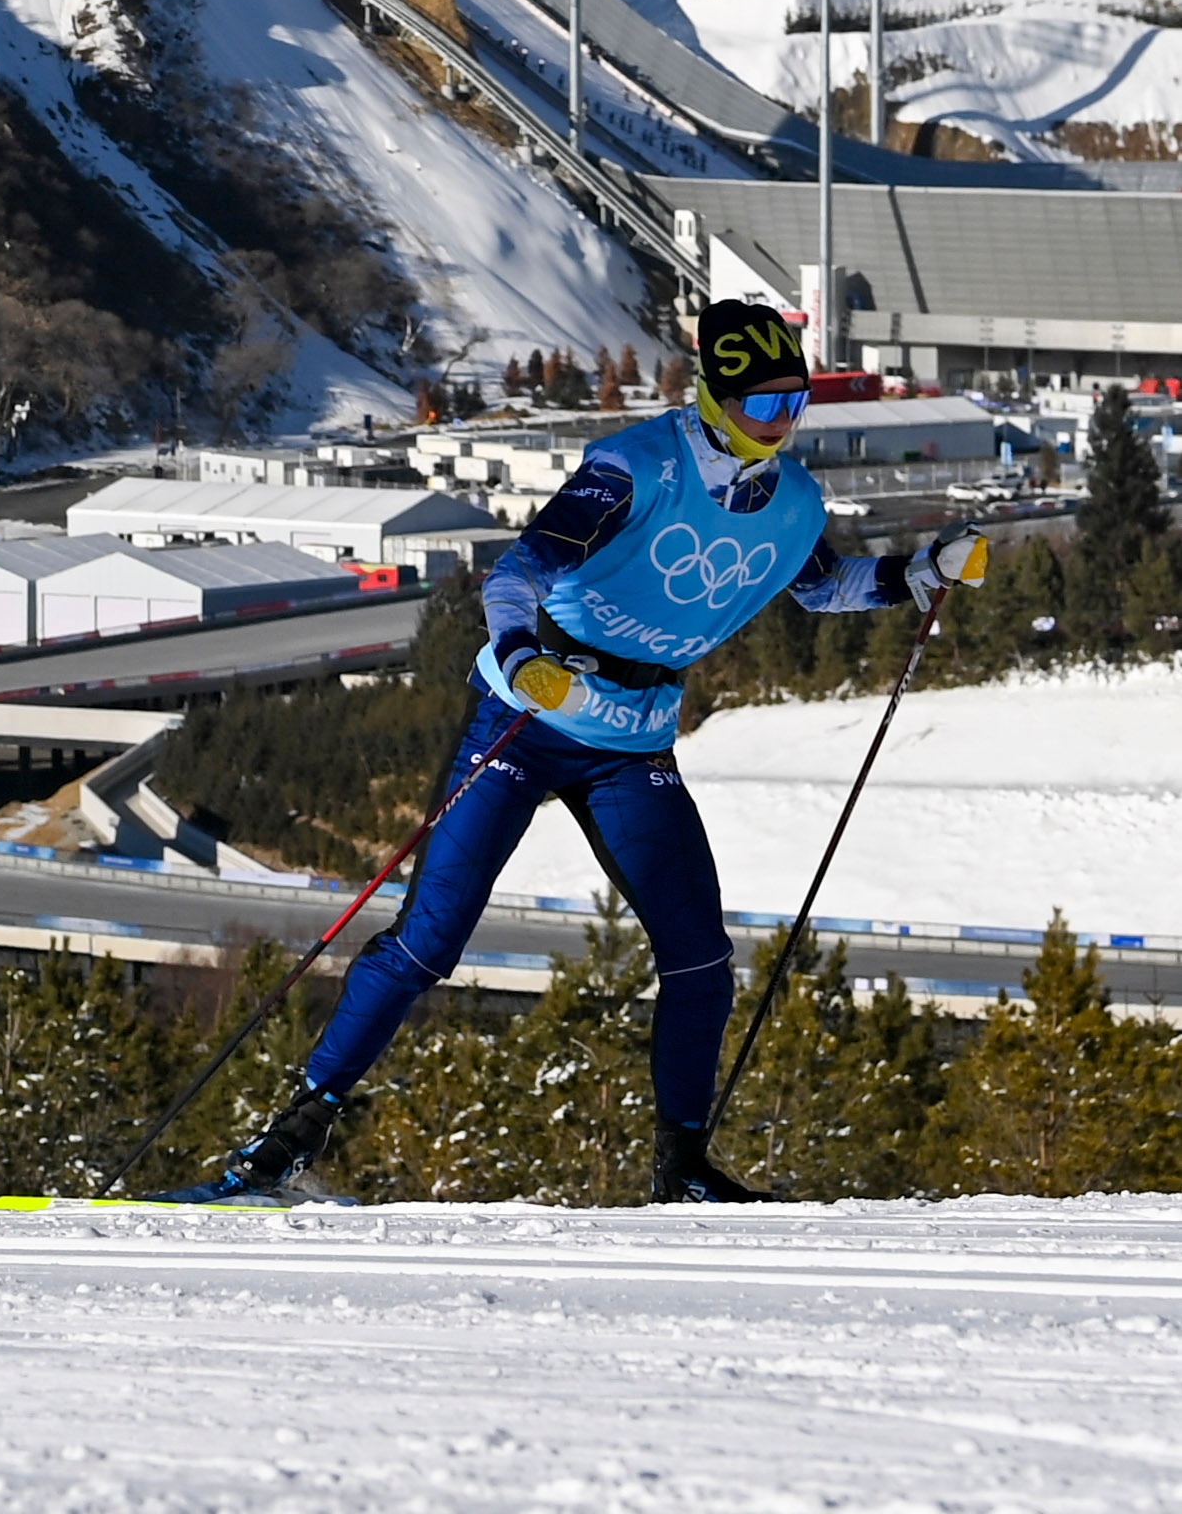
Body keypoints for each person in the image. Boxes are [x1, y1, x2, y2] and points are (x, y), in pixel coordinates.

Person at [188, 299, 992, 1205]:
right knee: (428, 942)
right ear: (715, 400)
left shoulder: (794, 502)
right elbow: (518, 569)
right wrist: (524, 656)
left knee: (699, 959)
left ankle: (681, 1166)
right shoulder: (636, 465)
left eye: (793, 405)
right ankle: (288, 1139)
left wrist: (921, 571)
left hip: (632, 741)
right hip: (528, 720)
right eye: (760, 407)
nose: (778, 425)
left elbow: (820, 587)